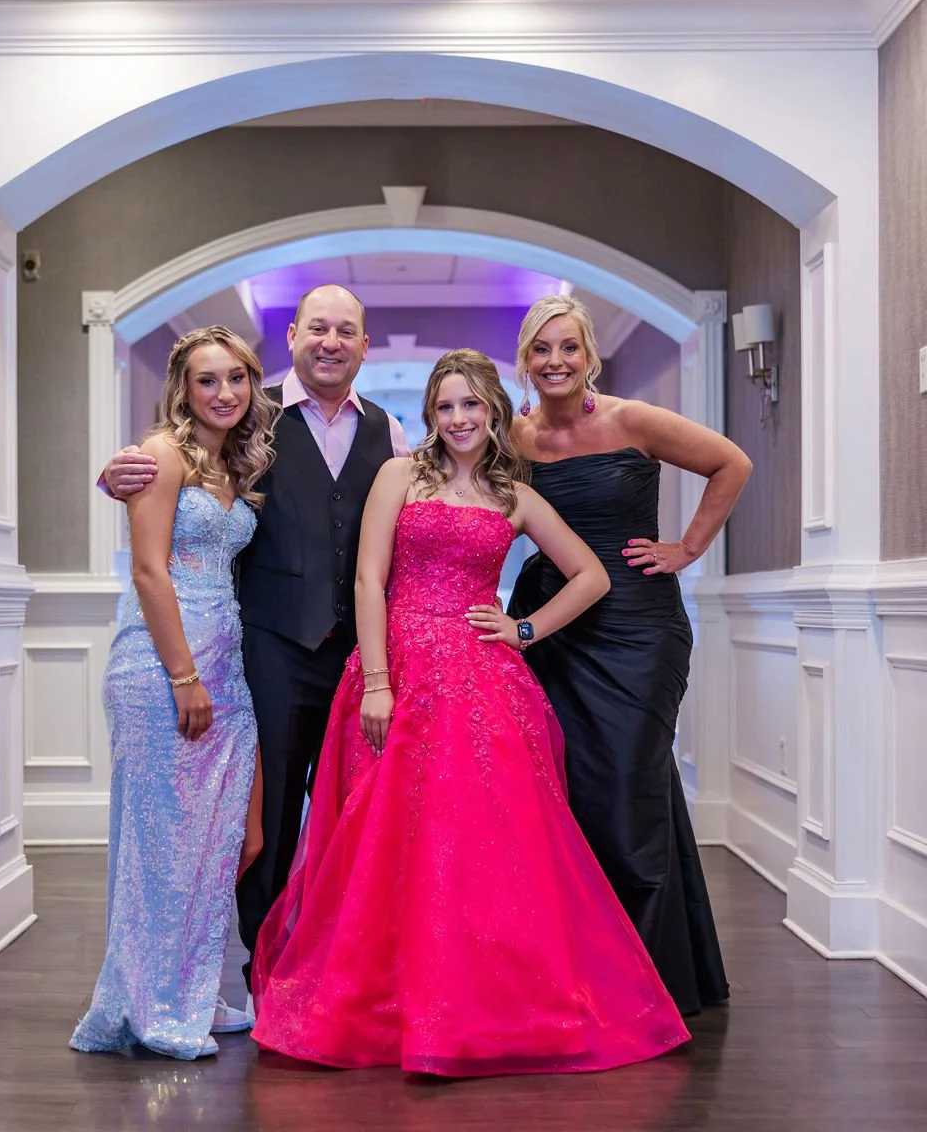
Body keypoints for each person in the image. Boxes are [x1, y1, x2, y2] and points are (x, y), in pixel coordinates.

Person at [250, 350, 690, 1077]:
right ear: (432, 414)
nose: (457, 419)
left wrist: (523, 629)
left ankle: (474, 1000)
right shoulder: (401, 476)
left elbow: (593, 574)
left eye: (471, 406)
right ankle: (385, 995)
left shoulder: (513, 496)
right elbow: (368, 577)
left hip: (484, 679)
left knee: (480, 845)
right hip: (399, 673)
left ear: (492, 412)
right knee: (386, 835)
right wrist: (380, 682)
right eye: (445, 406)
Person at [102, 286, 409, 997]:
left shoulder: (390, 432)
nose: (331, 342)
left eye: (347, 331)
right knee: (261, 826)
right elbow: (175, 481)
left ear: (365, 345)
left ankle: (347, 966)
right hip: (264, 649)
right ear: (294, 335)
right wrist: (113, 473)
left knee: (353, 814)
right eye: (318, 329)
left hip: (357, 658)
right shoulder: (248, 411)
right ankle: (263, 972)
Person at [508, 294, 753, 1017]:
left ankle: (646, 981)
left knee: (629, 782)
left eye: (568, 348)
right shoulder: (514, 439)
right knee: (573, 793)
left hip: (639, 630)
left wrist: (688, 547)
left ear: (590, 357)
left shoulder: (630, 420)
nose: (555, 361)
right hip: (554, 629)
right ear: (525, 362)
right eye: (540, 350)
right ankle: (586, 967)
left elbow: (730, 462)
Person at [71, 326, 275, 1060]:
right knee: (159, 839)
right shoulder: (159, 453)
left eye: (236, 379)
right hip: (163, 667)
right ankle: (150, 1006)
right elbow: (151, 572)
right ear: (182, 390)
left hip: (229, 663)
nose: (224, 393)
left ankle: (192, 986)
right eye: (206, 380)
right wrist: (183, 675)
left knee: (221, 838)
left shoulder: (236, 460)